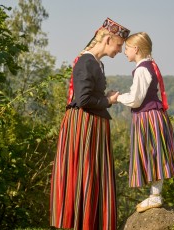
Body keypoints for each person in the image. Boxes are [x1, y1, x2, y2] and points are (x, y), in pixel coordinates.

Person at [50, 18, 130, 230]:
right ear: (107, 39)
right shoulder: (87, 62)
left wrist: (105, 99)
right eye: (119, 45)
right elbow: (83, 100)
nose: (120, 50)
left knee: (92, 175)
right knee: (85, 175)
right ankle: (81, 222)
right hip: (84, 127)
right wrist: (108, 101)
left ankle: (89, 222)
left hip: (91, 126)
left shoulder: (95, 63)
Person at [117, 32, 174, 213]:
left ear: (136, 49)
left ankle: (155, 196)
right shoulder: (149, 66)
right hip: (153, 115)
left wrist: (117, 98)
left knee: (153, 152)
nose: (125, 52)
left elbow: (136, 99)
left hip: (148, 117)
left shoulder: (142, 69)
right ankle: (155, 194)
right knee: (155, 153)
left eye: (127, 48)